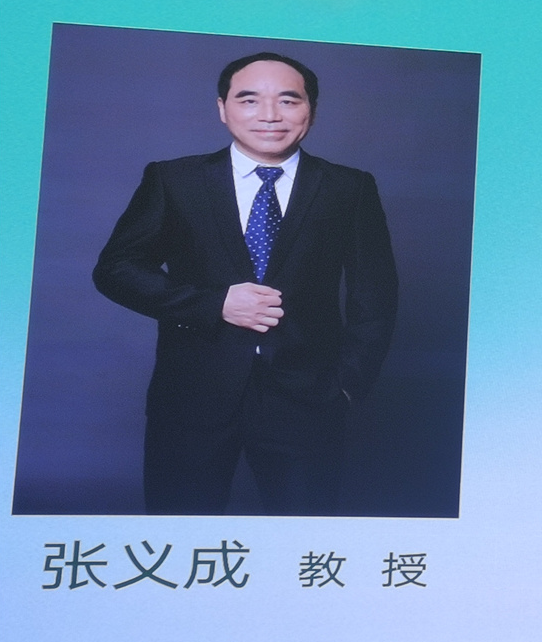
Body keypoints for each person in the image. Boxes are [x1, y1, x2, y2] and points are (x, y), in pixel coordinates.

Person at [94, 52, 397, 515]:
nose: (270, 115)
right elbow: (116, 268)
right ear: (223, 108)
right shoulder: (174, 179)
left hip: (307, 399)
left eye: (288, 101)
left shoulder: (349, 188)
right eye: (249, 100)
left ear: (311, 110)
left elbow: (374, 294)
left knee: (303, 538)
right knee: (181, 534)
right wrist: (214, 304)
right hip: (191, 396)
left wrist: (347, 384)